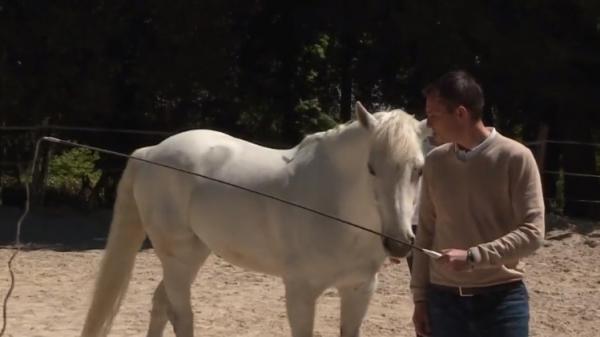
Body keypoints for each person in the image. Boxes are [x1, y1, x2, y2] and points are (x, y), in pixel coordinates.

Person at [410, 70, 545, 337]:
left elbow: (533, 233)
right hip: (443, 303)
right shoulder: (435, 162)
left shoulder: (516, 157)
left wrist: (474, 256)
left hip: (502, 301)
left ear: (460, 113)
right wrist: (420, 299)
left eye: (434, 115)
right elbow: (424, 232)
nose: (428, 124)